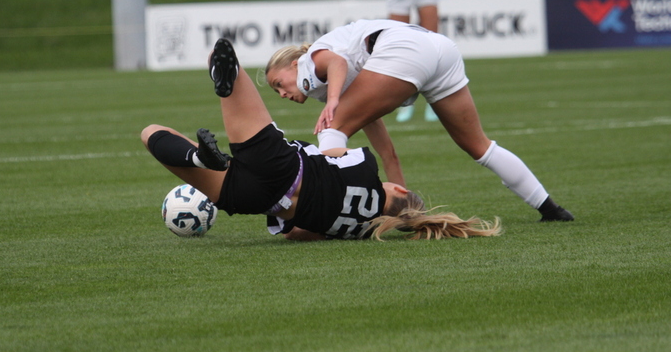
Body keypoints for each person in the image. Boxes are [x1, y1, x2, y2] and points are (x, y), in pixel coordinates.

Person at [141, 38, 501, 241]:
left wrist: (358, 111)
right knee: (153, 135)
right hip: (257, 198)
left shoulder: (365, 167)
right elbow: (295, 234)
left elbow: (331, 147)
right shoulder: (357, 231)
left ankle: (204, 147)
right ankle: (198, 161)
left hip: (283, 167)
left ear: (401, 191)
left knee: (221, 56)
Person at [265, 19, 575, 223]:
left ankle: (330, 216)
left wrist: (333, 102)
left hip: (404, 49)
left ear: (294, 64)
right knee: (479, 146)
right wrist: (405, 206)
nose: (281, 92)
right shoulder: (334, 79)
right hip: (440, 50)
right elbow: (385, 148)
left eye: (279, 83)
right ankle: (550, 209)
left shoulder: (309, 63)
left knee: (332, 128)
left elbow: (336, 62)